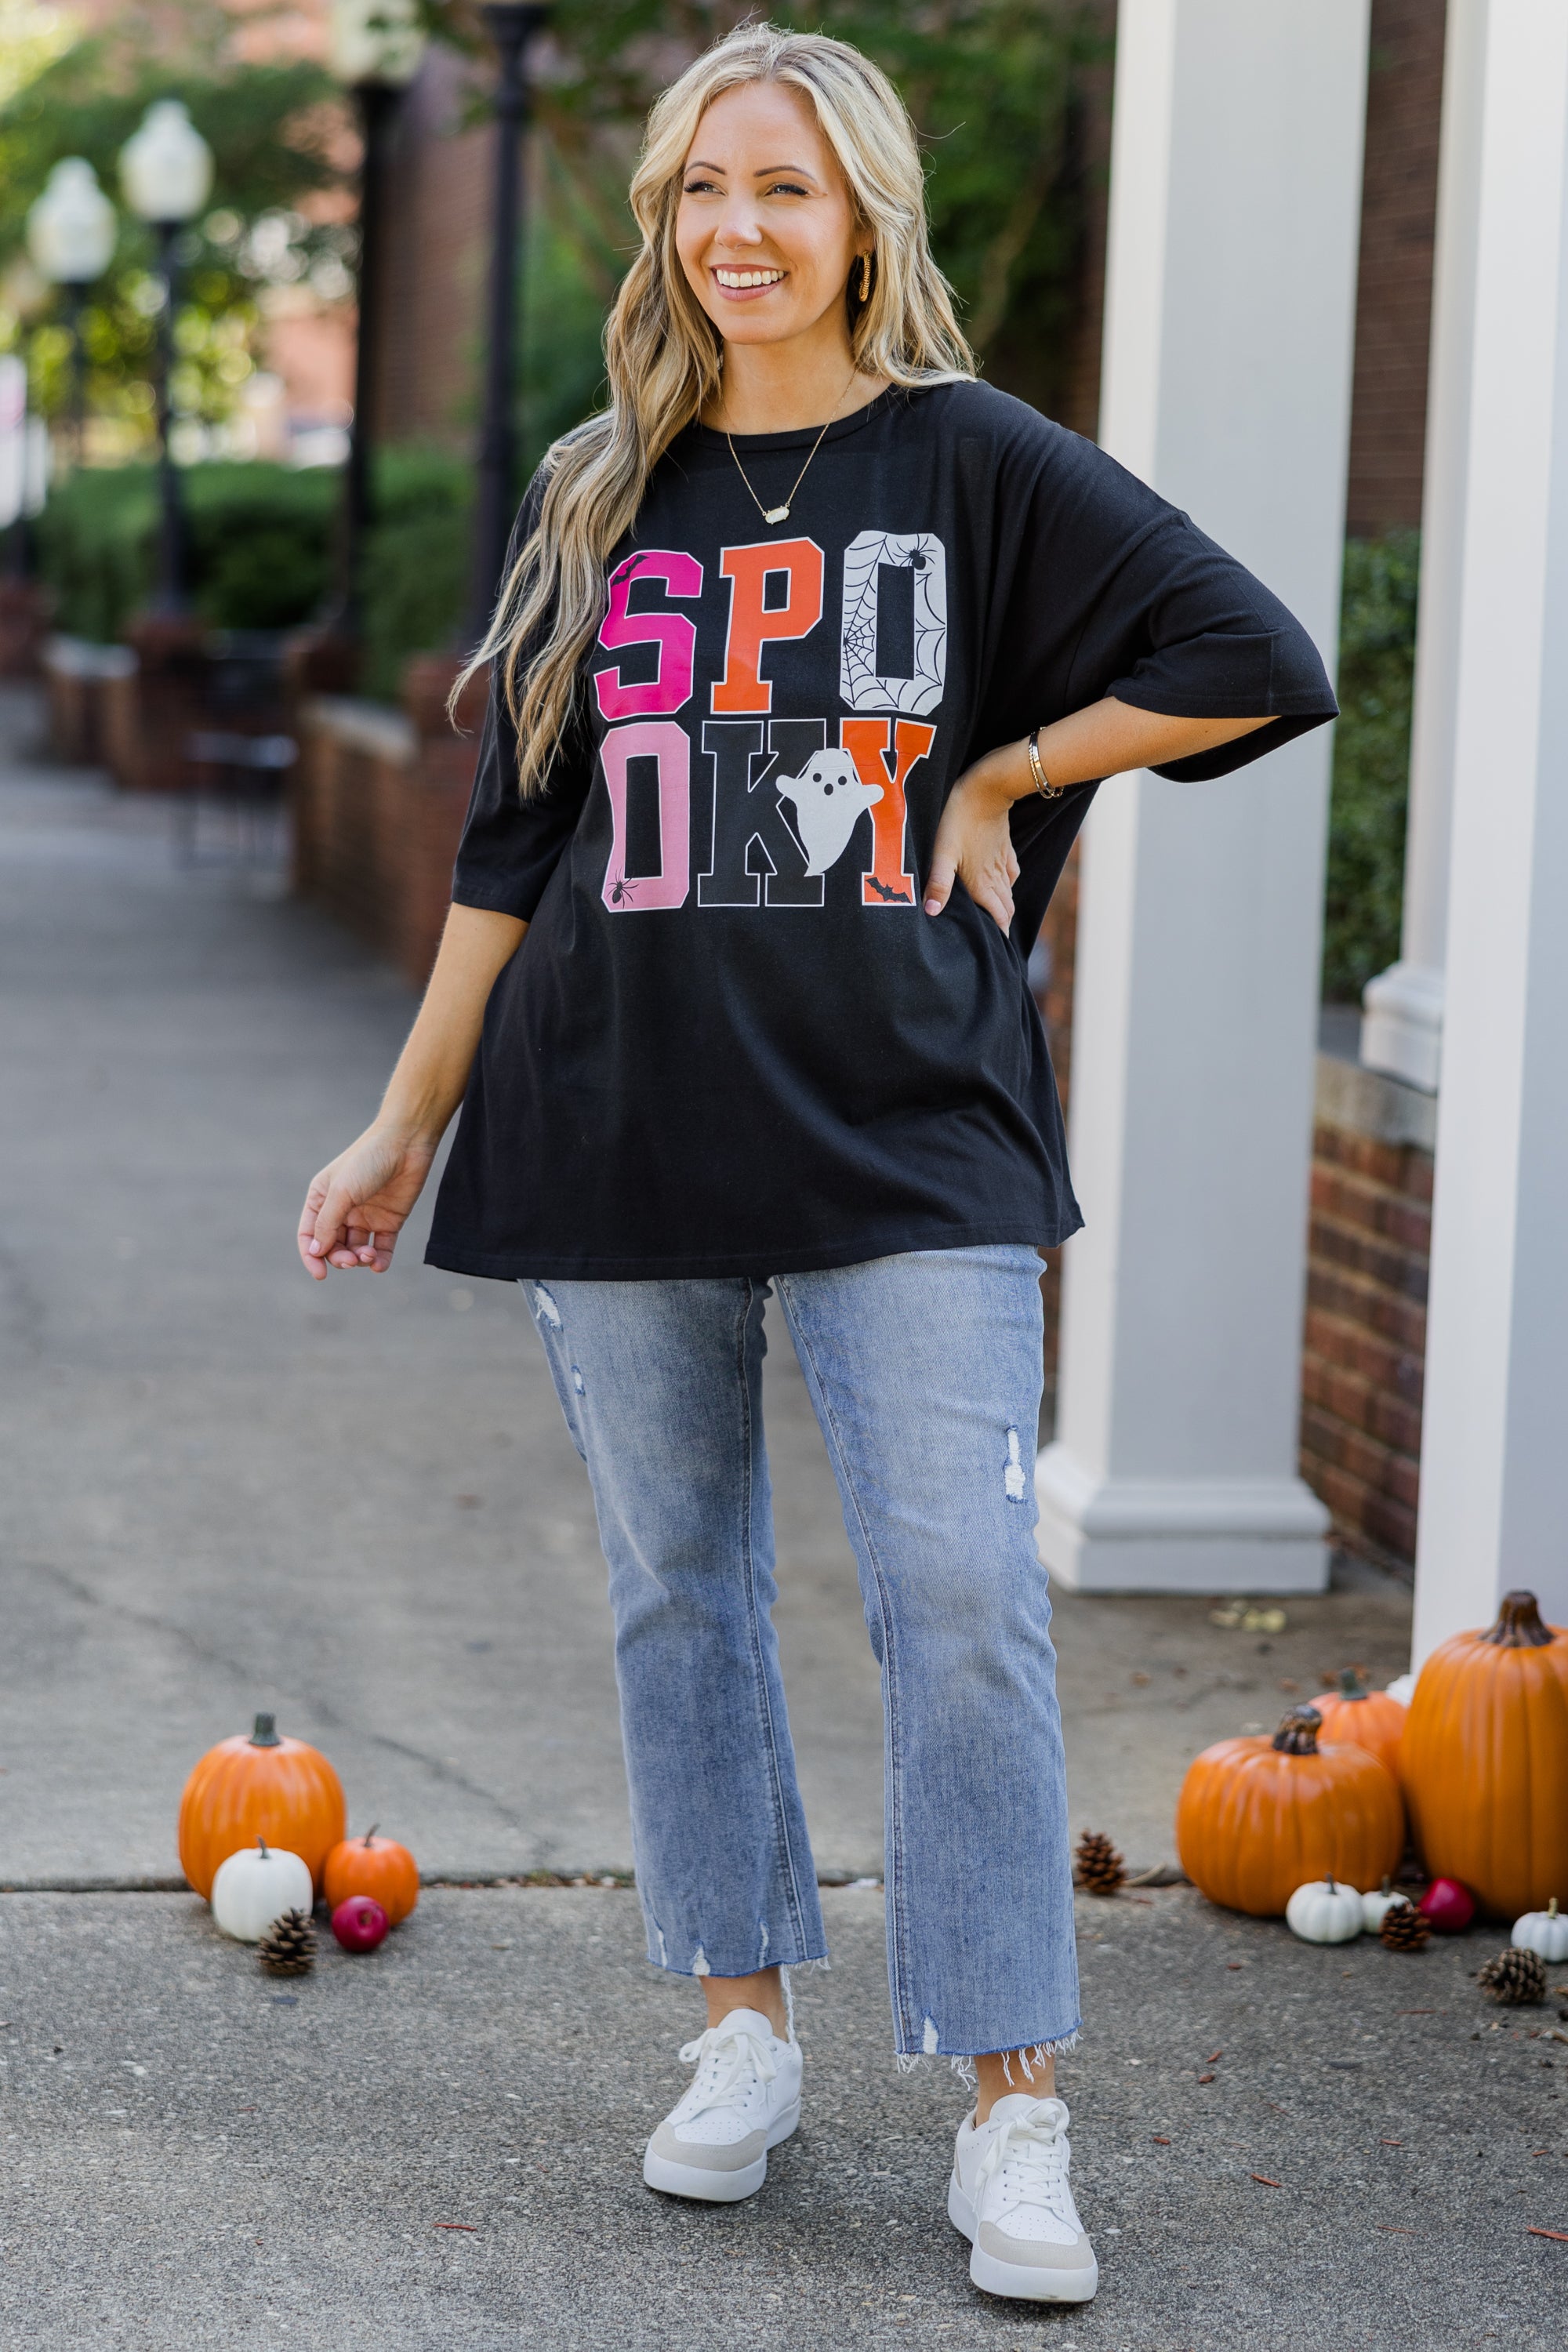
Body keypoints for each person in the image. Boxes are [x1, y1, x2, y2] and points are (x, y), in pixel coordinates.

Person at [297, 22, 1335, 2307]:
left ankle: (1013, 2104)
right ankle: (743, 2033)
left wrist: (1008, 774)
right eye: (696, 192)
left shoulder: (973, 460)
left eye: (780, 186)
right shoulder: (601, 485)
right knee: (684, 1592)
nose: (736, 231)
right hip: (616, 1122)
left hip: (912, 1139)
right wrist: (407, 1118)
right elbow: (513, 841)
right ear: (665, 226)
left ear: (863, 213)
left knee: (960, 1605)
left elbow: (1255, 653)